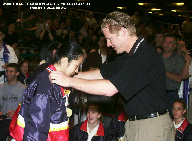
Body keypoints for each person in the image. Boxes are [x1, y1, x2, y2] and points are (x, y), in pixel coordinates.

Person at [49, 11, 174, 141]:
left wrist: (68, 81)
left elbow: (110, 89)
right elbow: (101, 73)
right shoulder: (128, 55)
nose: (108, 44)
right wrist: (71, 74)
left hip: (151, 126)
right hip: (136, 123)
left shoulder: (144, 56)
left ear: (123, 32)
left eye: (110, 38)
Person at [9, 42, 84, 141]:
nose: (77, 70)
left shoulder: (55, 81)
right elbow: (35, 130)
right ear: (65, 61)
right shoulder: (46, 87)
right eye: (76, 66)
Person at [0, 63, 27, 141]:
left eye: (11, 71)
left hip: (17, 121)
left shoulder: (24, 89)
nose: (8, 73)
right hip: (3, 121)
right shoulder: (1, 87)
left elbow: (27, 107)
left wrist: (16, 113)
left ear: (17, 73)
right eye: (7, 71)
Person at [162, 35, 185, 117]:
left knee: (172, 119)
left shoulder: (179, 59)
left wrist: (163, 72)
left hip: (171, 94)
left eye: (170, 42)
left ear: (174, 46)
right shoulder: (157, 57)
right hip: (158, 93)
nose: (167, 44)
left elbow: (179, 78)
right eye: (165, 42)